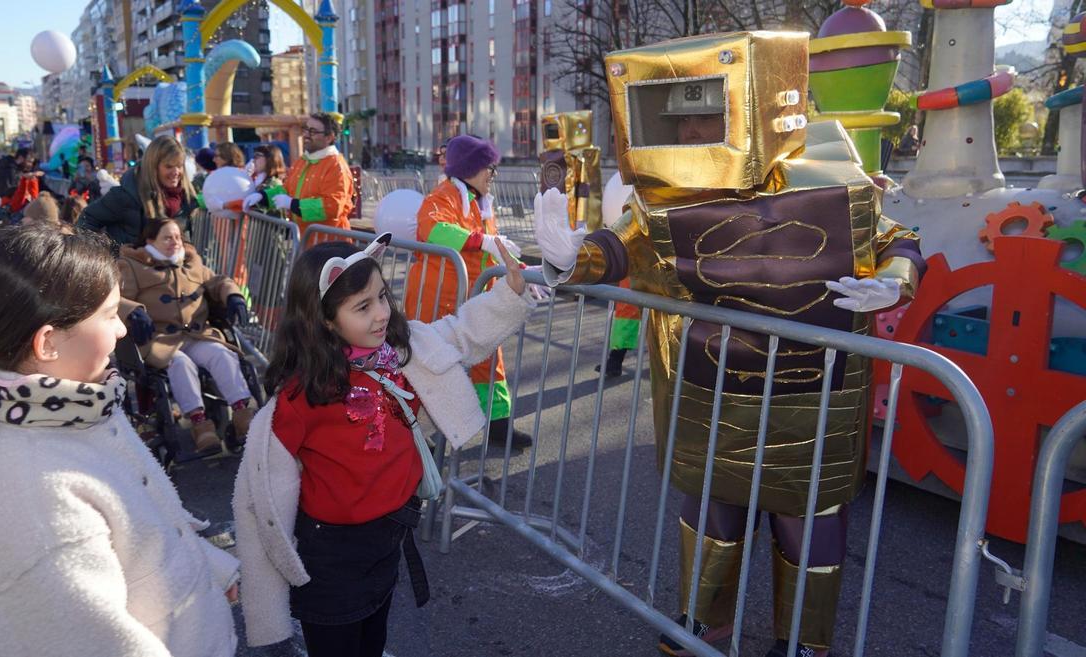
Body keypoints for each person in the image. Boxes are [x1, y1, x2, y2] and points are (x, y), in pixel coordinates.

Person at [534, 33, 924, 657]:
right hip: (712, 393)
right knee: (714, 512)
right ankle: (704, 627)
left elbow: (894, 239)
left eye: (706, 116)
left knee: (808, 524)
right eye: (681, 120)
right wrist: (567, 255)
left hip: (814, 395)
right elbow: (621, 248)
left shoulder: (826, 164)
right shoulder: (664, 190)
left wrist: (893, 283)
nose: (693, 135)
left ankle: (802, 642)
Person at [0, 225, 239, 657]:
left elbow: (141, 524)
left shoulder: (75, 409)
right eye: (109, 315)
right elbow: (96, 641)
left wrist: (209, 569)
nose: (122, 332)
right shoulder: (36, 489)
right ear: (48, 342)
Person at [234, 233, 535, 655]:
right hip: (331, 559)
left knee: (372, 643)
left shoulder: (398, 354)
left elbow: (460, 334)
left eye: (381, 296)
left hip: (389, 537)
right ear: (323, 319)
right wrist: (267, 615)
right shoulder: (302, 396)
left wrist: (510, 293)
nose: (381, 314)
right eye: (362, 306)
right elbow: (259, 504)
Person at [403, 134, 531, 450]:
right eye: (490, 168)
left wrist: (522, 272)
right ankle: (412, 434)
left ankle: (500, 427)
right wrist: (481, 242)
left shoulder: (479, 204)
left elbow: (494, 248)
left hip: (473, 298)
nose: (493, 175)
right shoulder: (443, 196)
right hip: (435, 300)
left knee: (490, 360)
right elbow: (432, 229)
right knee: (428, 367)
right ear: (473, 168)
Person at [117, 218, 254, 453]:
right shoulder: (131, 265)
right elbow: (115, 298)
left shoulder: (191, 261)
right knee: (181, 364)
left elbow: (218, 281)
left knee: (222, 354)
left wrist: (233, 295)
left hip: (196, 334)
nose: (175, 242)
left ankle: (243, 415)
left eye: (178, 237)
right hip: (159, 339)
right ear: (150, 241)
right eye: (167, 237)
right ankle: (201, 426)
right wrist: (133, 311)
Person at [78, 135, 197, 247]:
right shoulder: (127, 195)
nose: (176, 172)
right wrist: (108, 256)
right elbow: (87, 219)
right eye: (169, 166)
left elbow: (187, 244)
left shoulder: (186, 199)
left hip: (173, 267)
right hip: (130, 266)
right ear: (153, 167)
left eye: (179, 166)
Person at [271, 113, 355, 242]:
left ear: (329, 137)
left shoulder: (336, 166)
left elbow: (333, 206)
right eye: (306, 129)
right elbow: (286, 190)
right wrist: (263, 197)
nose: (306, 135)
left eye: (313, 131)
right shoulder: (303, 161)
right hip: (306, 241)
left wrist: (293, 204)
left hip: (330, 244)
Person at [240, 144, 289, 215]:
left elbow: (257, 206)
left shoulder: (274, 182)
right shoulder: (259, 180)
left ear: (270, 159)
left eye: (257, 156)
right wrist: (245, 176)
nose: (253, 160)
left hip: (272, 225)